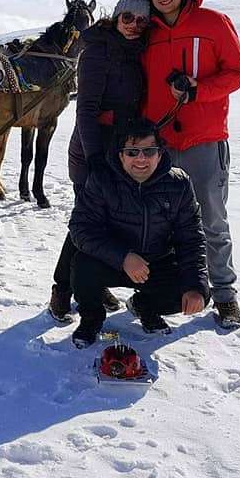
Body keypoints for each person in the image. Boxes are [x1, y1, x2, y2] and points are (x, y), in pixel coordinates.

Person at [140, 0, 240, 329]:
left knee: (211, 220)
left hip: (204, 140)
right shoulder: (147, 33)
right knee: (160, 223)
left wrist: (199, 91)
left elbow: (239, 71)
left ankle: (224, 295)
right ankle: (168, 290)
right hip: (160, 144)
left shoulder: (214, 23)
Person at [48, 0, 150, 325]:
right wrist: (94, 159)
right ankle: (62, 290)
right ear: (115, 16)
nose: (134, 24)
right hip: (92, 149)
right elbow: (86, 110)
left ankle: (90, 282)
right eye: (127, 17)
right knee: (87, 222)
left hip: (121, 151)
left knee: (107, 223)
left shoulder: (134, 50)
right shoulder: (97, 50)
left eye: (141, 20)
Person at [67, 117, 209, 347]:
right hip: (113, 261)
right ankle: (91, 320)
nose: (141, 159)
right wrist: (122, 257)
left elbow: (191, 239)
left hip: (157, 263)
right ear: (120, 155)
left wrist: (196, 286)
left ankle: (146, 306)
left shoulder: (178, 184)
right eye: (132, 152)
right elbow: (81, 229)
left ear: (160, 153)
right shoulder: (102, 180)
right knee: (82, 267)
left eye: (149, 151)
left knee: (195, 291)